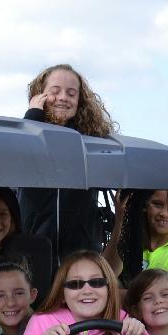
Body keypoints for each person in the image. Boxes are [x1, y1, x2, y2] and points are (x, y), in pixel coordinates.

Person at [14, 251, 164, 335]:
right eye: (75, 284)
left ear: (109, 288)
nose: (87, 290)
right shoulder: (42, 321)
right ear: (62, 293)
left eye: (96, 282)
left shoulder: (121, 320)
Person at [19, 63, 118, 259]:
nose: (63, 97)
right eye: (55, 91)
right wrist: (33, 118)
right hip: (32, 256)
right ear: (39, 96)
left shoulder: (93, 141)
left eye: (71, 94)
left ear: (80, 101)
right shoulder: (25, 134)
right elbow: (23, 156)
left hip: (79, 257)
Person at [113, 189, 168, 300]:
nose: (164, 213)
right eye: (157, 204)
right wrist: (120, 219)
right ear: (144, 205)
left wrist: (113, 294)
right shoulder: (130, 242)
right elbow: (105, 275)